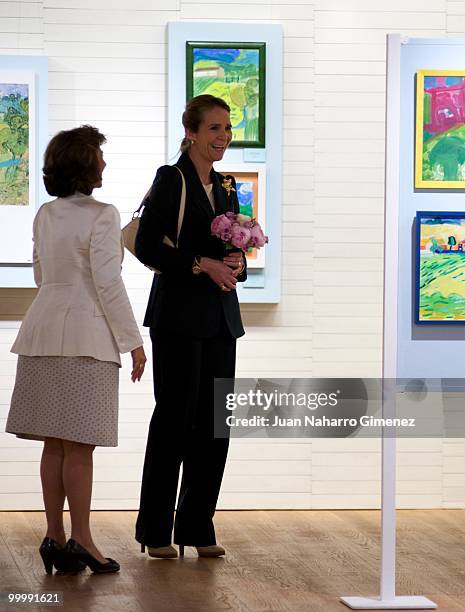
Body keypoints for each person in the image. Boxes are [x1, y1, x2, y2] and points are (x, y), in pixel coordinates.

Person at [5, 125, 146, 574]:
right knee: (79, 447)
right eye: (99, 157)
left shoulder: (45, 214)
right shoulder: (104, 214)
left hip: (41, 332)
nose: (104, 163)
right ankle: (82, 540)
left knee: (54, 444)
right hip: (86, 340)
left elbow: (40, 275)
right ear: (85, 163)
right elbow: (108, 282)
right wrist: (134, 341)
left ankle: (55, 536)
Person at [135, 94, 246, 558]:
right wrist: (202, 264)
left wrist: (237, 262)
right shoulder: (171, 179)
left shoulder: (226, 186)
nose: (222, 137)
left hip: (221, 317)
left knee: (215, 424)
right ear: (192, 133)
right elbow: (146, 247)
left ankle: (198, 525)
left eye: (227, 129)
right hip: (178, 315)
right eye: (214, 128)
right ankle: (156, 530)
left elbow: (231, 253)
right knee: (175, 420)